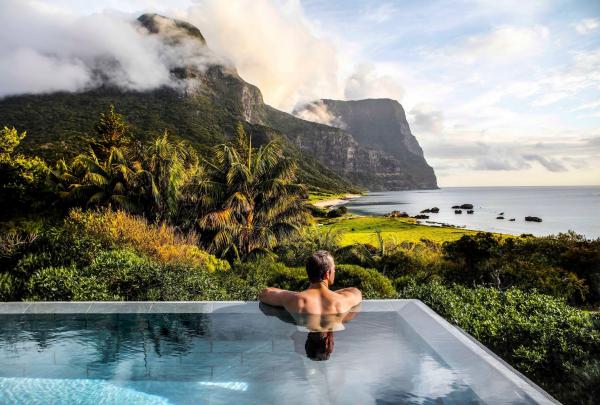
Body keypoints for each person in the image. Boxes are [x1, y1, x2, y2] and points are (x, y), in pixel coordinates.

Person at [258, 250, 362, 315]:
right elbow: (356, 292)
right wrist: (332, 294)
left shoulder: (296, 300)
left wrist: (297, 294)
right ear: (327, 274)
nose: (335, 271)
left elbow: (264, 293)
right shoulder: (341, 300)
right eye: (334, 269)